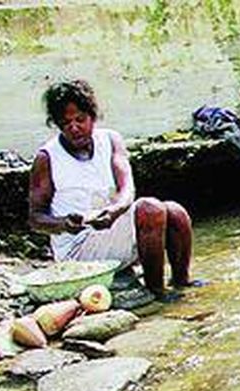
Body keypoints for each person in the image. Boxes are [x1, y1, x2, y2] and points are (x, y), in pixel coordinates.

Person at [28, 79, 198, 304]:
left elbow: (127, 189)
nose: (74, 127)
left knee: (175, 212)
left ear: (93, 117)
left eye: (80, 119)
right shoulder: (47, 157)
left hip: (111, 231)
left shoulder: (110, 140)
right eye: (66, 122)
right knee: (151, 209)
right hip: (79, 250)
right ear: (57, 124)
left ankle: (181, 281)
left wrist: (113, 212)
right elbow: (35, 219)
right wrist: (63, 224)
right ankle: (156, 292)